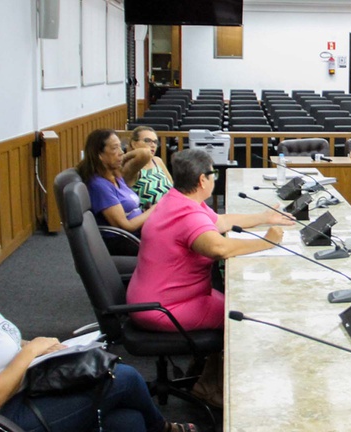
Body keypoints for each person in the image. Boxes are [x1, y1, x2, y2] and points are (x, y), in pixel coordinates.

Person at [0, 241, 196, 432]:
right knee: (125, 378)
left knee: (128, 421)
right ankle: (162, 428)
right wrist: (31, 351)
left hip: (24, 387)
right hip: (8, 415)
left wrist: (34, 346)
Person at [127, 149, 294, 333]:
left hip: (166, 297)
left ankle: (211, 360)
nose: (215, 178)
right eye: (213, 173)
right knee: (249, 317)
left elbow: (222, 222)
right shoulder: (186, 214)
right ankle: (216, 360)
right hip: (163, 308)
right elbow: (219, 248)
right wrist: (266, 242)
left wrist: (264, 217)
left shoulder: (179, 199)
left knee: (240, 300)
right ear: (202, 180)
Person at [77, 129, 154, 255]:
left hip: (137, 233)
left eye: (121, 147)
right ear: (99, 155)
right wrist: (154, 210)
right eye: (114, 148)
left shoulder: (115, 176)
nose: (121, 152)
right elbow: (125, 226)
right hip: (122, 240)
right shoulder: (99, 185)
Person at [125, 126, 173, 210]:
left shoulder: (157, 161)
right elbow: (143, 154)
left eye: (155, 142)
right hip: (150, 215)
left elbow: (173, 187)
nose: (153, 145)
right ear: (134, 143)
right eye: (147, 141)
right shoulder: (132, 167)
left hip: (171, 209)